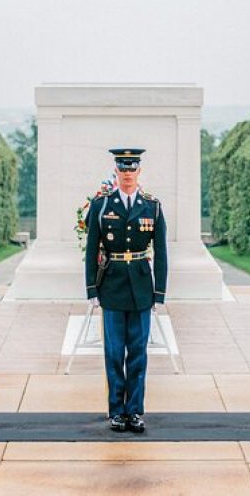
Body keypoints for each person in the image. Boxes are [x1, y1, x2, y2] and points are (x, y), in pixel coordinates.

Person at [84, 148, 167, 433]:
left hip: (142, 288)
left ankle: (135, 411)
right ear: (116, 172)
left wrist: (159, 292)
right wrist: (92, 288)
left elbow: (163, 253)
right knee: (114, 352)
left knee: (138, 354)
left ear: (138, 172)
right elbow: (92, 248)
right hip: (113, 287)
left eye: (132, 169)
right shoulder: (102, 205)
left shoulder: (152, 206)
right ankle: (116, 411)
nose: (128, 174)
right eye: (123, 169)